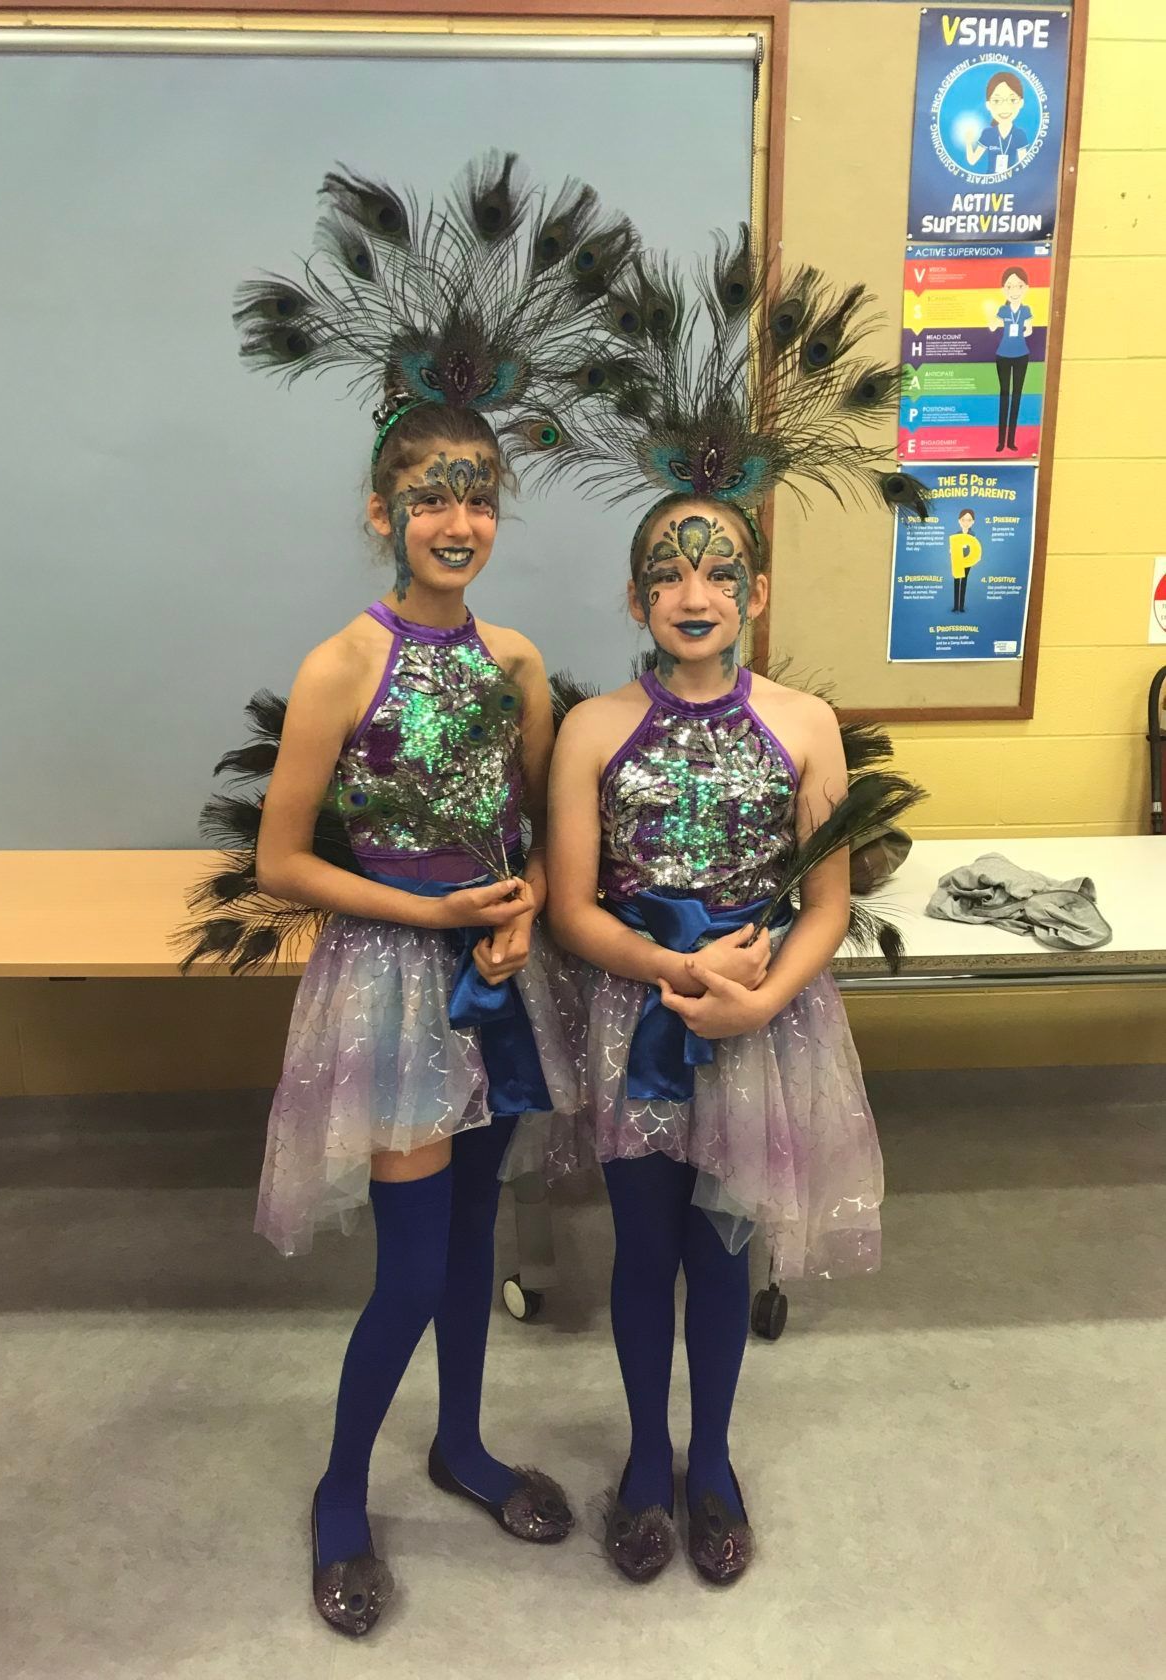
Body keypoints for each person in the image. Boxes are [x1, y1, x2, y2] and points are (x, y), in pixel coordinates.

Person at [228, 155, 635, 1637]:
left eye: (479, 496)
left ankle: (462, 1446)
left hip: (494, 980)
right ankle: (344, 1490)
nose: (456, 520)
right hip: (398, 984)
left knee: (473, 1243)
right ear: (381, 509)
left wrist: (518, 906)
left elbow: (528, 823)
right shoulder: (349, 662)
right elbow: (282, 864)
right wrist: (433, 919)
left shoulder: (517, 664)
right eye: (427, 496)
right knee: (408, 1268)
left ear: (500, 512)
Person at [516, 234, 923, 1588]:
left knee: (722, 1244)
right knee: (642, 1246)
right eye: (670, 574)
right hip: (639, 1016)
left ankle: (719, 1454)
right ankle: (645, 1455)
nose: (696, 593)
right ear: (638, 597)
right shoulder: (591, 730)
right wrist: (665, 968)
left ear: (752, 593)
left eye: (720, 572)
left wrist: (764, 989)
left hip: (762, 1020)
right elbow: (570, 907)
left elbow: (827, 896)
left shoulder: (805, 725)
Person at [987, 265, 1034, 452]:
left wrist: (1025, 330)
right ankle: (1000, 442)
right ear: (1003, 290)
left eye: (1019, 286)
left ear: (1026, 288)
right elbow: (993, 327)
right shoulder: (1003, 310)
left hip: (1022, 355)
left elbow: (1029, 329)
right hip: (1003, 356)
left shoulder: (1026, 310)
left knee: (1017, 396)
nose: (1014, 291)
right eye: (1009, 286)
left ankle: (1011, 441)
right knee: (1004, 395)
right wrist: (991, 317)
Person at [965, 70, 1031, 175]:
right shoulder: (987, 134)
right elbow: (972, 161)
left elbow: (1024, 165)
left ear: (1021, 103)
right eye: (996, 101)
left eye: (1012, 100)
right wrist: (968, 142)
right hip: (989, 184)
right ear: (988, 104)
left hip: (1012, 184)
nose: (1005, 107)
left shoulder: (1020, 134)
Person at [950, 507, 981, 613]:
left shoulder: (973, 535)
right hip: (957, 560)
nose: (966, 522)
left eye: (969, 520)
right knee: (956, 581)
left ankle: (961, 606)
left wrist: (977, 556)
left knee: (964, 581)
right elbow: (953, 547)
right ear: (959, 521)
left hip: (968, 561)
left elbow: (975, 547)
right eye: (963, 520)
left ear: (973, 522)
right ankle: (955, 606)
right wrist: (951, 551)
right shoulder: (957, 534)